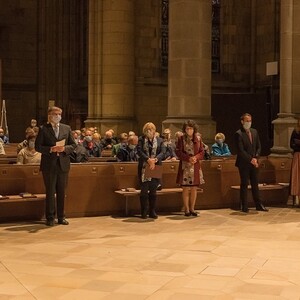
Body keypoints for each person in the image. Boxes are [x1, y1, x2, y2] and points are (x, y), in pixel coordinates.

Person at [35, 106, 76, 226]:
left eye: (59, 114)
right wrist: (50, 149)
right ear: (50, 115)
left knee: (62, 192)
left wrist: (64, 148)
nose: (57, 116)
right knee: (50, 192)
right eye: (55, 114)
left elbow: (73, 145)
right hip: (49, 165)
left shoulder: (66, 128)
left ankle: (61, 217)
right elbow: (38, 146)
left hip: (63, 164)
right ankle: (50, 217)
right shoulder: (43, 129)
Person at [234, 113, 268, 213]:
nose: (249, 122)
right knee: (244, 183)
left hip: (254, 162)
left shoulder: (254, 132)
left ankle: (259, 204)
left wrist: (256, 157)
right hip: (244, 163)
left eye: (250, 121)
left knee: (255, 183)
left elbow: (258, 146)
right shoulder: (239, 134)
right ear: (242, 122)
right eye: (247, 121)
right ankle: (244, 205)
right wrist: (250, 159)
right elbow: (241, 151)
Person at [137, 122, 166, 219]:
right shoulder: (141, 139)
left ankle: (152, 211)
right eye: (147, 129)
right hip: (145, 166)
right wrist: (148, 160)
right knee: (144, 190)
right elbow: (139, 151)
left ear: (154, 130)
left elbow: (163, 152)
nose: (149, 131)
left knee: (153, 190)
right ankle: (144, 211)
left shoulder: (159, 140)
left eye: (151, 129)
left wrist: (155, 160)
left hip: (156, 166)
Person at [175, 120, 204, 217]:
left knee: (194, 188)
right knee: (186, 188)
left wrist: (196, 157)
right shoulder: (181, 138)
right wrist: (188, 158)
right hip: (185, 166)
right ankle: (186, 209)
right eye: (187, 128)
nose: (189, 130)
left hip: (195, 165)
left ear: (194, 129)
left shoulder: (198, 138)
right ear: (185, 129)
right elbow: (178, 152)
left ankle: (192, 208)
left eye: (191, 128)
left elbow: (202, 151)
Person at [289, 119, 300, 205]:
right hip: (297, 155)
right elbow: (292, 144)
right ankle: (297, 199)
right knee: (297, 177)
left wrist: (298, 143)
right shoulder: (295, 131)